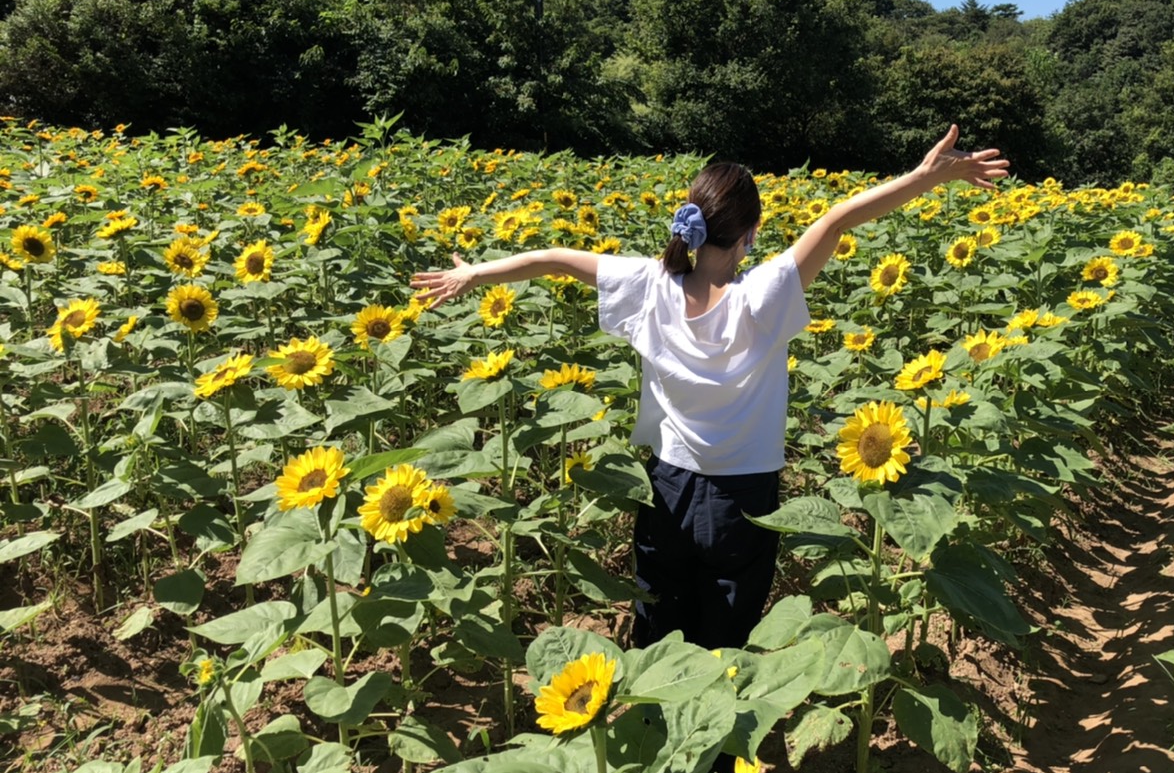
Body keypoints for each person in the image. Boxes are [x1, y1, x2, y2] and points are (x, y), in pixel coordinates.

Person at [411, 126, 1009, 650]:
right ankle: (720, 768)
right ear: (749, 232)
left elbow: (558, 259)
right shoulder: (763, 296)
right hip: (744, 498)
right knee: (726, 634)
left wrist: (474, 273)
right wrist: (927, 178)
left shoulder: (649, 285)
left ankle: (653, 744)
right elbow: (837, 219)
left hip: (667, 488)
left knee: (657, 628)